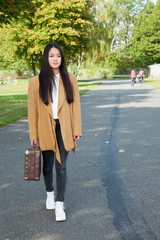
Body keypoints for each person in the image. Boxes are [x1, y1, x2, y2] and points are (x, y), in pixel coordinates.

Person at [28, 43, 82, 222]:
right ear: (46, 57)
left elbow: (76, 107)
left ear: (62, 58)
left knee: (62, 165)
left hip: (64, 127)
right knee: (47, 164)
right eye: (51, 55)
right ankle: (49, 193)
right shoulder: (35, 82)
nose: (55, 59)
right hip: (45, 127)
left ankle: (60, 203)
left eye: (58, 55)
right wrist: (33, 134)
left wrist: (77, 129)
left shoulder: (70, 79)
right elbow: (32, 110)